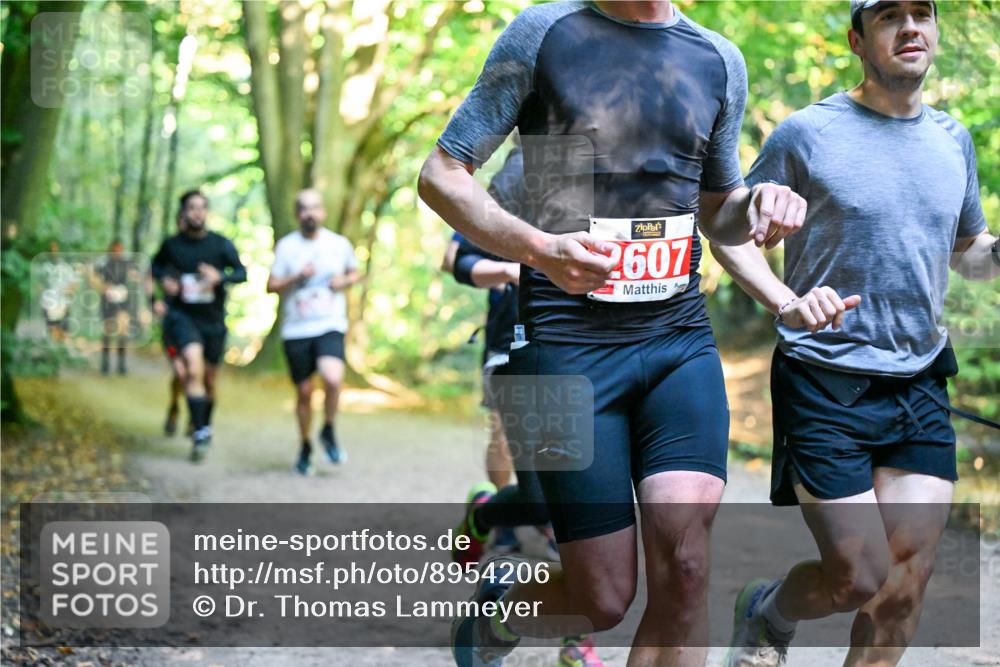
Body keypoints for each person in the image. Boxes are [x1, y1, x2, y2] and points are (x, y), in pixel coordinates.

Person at [418, 2, 805, 665]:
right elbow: (442, 176)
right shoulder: (545, 34)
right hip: (566, 348)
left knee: (685, 568)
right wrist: (540, 248)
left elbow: (719, 212)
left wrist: (762, 202)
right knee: (602, 595)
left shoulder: (717, 58)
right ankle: (505, 606)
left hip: (677, 340)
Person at [712, 2, 1000, 665]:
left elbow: (968, 252)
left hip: (920, 380)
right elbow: (726, 232)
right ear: (857, 40)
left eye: (921, 13)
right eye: (889, 16)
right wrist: (784, 300)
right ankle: (768, 609)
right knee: (858, 575)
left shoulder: (952, 138)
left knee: (906, 580)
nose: (910, 27)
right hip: (825, 381)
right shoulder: (806, 134)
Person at [266, 189, 360, 475]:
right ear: (297, 215)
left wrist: (342, 281)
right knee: (304, 392)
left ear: (323, 212)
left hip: (330, 324)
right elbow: (270, 285)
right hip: (296, 329)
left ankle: (328, 430)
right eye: (304, 209)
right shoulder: (286, 247)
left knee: (332, 378)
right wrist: (297, 276)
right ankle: (305, 445)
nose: (310, 213)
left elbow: (354, 273)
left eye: (315, 208)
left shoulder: (339, 244)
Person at [152, 190, 247, 462]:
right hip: (182, 318)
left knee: (208, 379)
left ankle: (202, 422)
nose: (197, 213)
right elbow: (154, 267)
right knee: (191, 370)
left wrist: (220, 277)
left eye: (201, 208)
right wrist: (164, 283)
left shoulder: (220, 244)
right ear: (184, 212)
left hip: (213, 321)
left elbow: (242, 273)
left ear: (207, 212)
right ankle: (201, 433)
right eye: (191, 208)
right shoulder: (172, 245)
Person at [92, 239, 138, 375]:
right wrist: (103, 287)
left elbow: (136, 275)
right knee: (107, 331)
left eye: (120, 249)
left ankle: (121, 364)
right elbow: (93, 277)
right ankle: (105, 364)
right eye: (115, 248)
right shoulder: (103, 262)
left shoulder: (127, 262)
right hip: (107, 300)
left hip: (123, 300)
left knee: (123, 330)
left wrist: (135, 278)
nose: (118, 251)